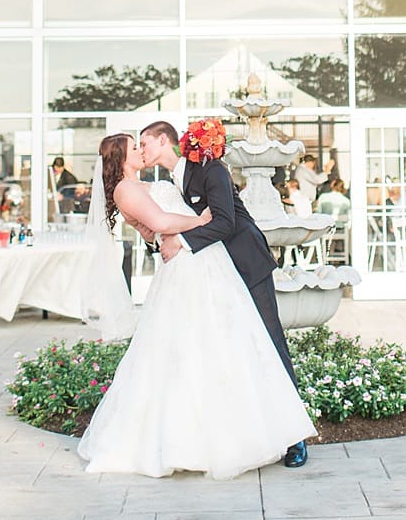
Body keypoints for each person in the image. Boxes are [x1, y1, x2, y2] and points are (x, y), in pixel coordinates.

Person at [78, 128, 315, 478]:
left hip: (243, 265)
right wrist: (166, 233)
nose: (141, 150)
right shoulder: (137, 187)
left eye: (143, 143)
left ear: (162, 141)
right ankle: (222, 434)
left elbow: (226, 221)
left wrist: (181, 236)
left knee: (267, 344)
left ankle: (293, 438)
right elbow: (156, 224)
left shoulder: (208, 168)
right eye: (135, 146)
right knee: (212, 351)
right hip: (201, 273)